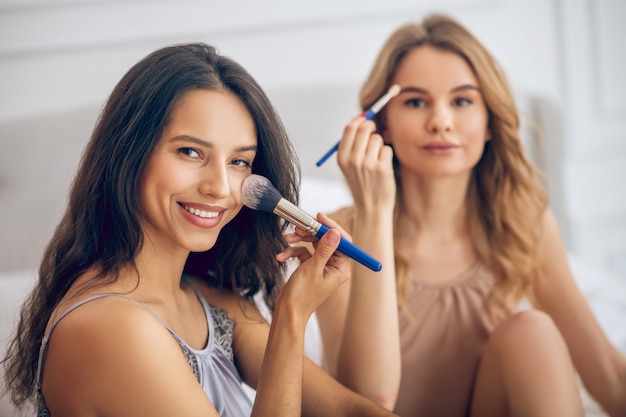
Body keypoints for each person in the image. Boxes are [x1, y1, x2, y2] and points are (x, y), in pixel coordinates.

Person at [0, 43, 399, 417]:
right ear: (129, 154)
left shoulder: (205, 298)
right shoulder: (111, 327)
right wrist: (292, 315)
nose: (220, 188)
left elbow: (348, 409)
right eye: (190, 152)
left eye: (239, 162)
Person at [306, 13, 626, 417]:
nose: (441, 121)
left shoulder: (521, 222)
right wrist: (372, 212)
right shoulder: (338, 234)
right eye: (416, 102)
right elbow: (365, 403)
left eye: (462, 101)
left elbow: (609, 377)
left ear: (490, 121)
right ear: (380, 122)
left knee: (532, 332)